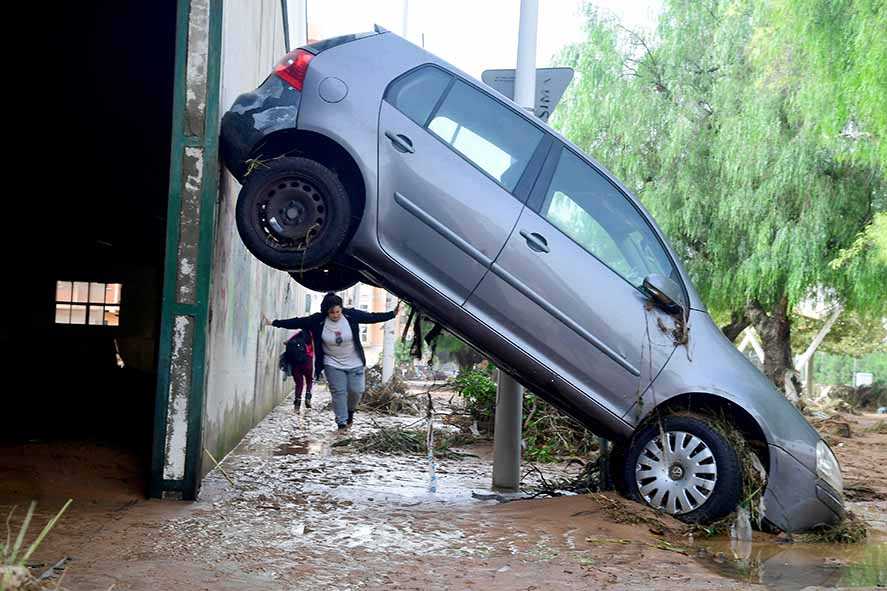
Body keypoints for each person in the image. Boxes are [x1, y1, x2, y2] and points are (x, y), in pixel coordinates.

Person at [263, 292, 399, 430]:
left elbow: (371, 317)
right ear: (326, 311)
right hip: (332, 363)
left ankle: (350, 412)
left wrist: (391, 314)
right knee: (338, 392)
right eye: (332, 312)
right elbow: (297, 321)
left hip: (355, 362)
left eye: (338, 311)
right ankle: (341, 423)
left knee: (356, 391)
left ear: (342, 309)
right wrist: (274, 323)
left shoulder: (351, 315)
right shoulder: (317, 320)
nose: (335, 315)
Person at [283, 328, 314, 410]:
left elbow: (286, 342)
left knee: (299, 383)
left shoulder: (298, 334)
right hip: (308, 361)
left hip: (296, 362)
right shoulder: (314, 335)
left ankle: (297, 402)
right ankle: (308, 396)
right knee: (309, 380)